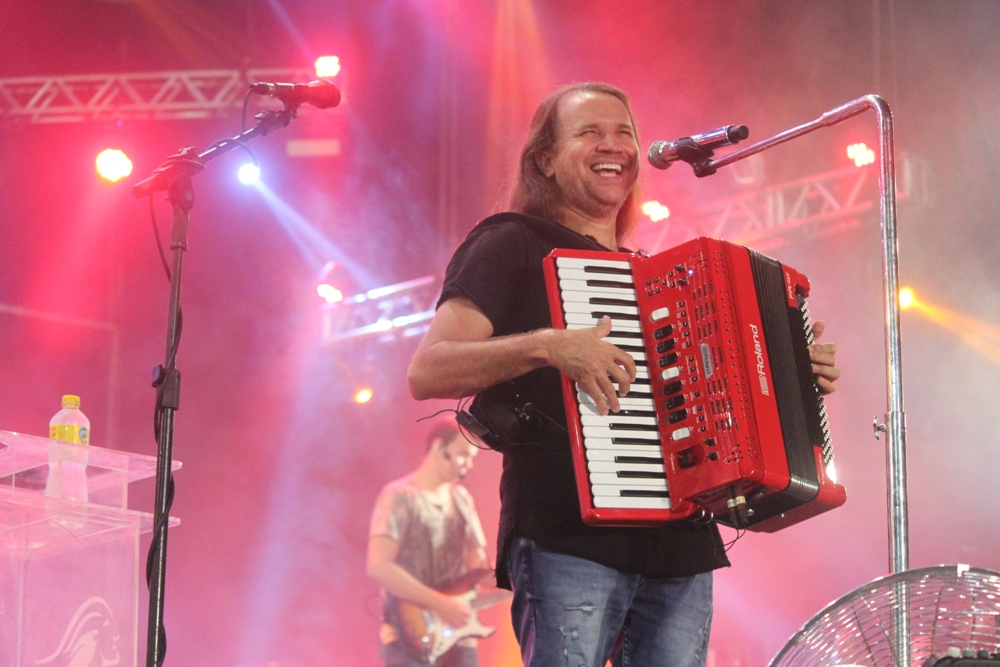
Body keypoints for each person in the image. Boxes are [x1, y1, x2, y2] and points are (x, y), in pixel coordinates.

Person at [406, 82, 841, 667]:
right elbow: (428, 370)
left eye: (623, 133)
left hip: (681, 545)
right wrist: (549, 345)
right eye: (589, 132)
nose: (613, 145)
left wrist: (791, 375)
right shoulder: (510, 241)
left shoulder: (653, 275)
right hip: (568, 535)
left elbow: (721, 394)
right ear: (545, 160)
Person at [367, 417, 492, 667]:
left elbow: (478, 567)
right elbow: (378, 566)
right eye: (463, 455)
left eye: (472, 459)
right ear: (438, 447)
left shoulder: (462, 499)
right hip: (408, 637)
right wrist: (440, 604)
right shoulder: (399, 496)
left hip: (459, 637)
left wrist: (522, 576)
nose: (468, 465)